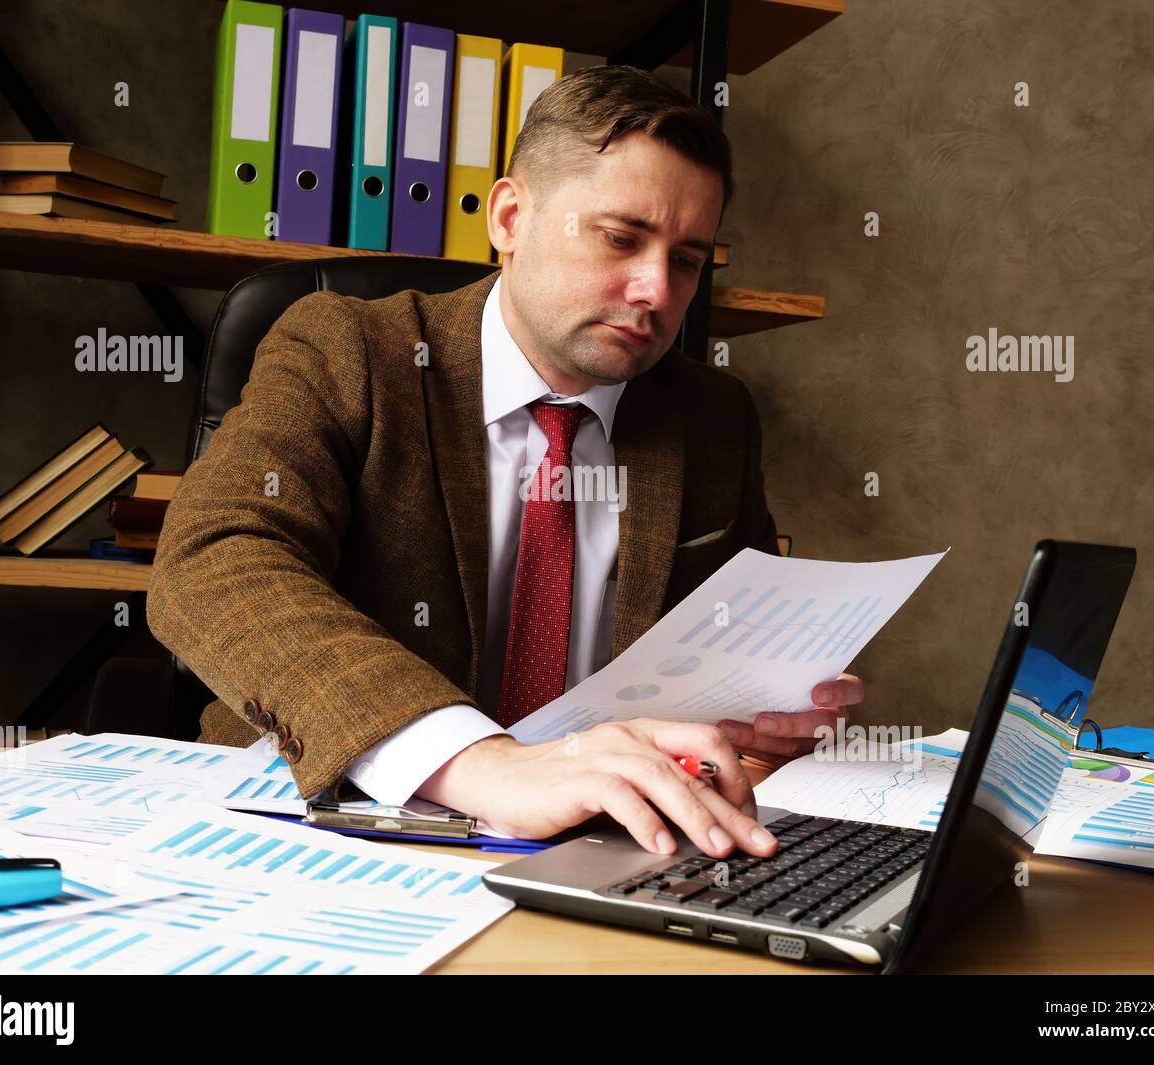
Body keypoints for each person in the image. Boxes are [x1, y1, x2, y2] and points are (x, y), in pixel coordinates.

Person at [146, 64, 863, 861]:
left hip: (603, 844)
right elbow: (213, 560)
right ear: (511, 217)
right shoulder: (346, 349)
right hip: (332, 820)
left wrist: (766, 725)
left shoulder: (713, 417)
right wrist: (482, 763)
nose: (656, 289)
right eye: (621, 238)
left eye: (689, 260)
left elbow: (730, 649)